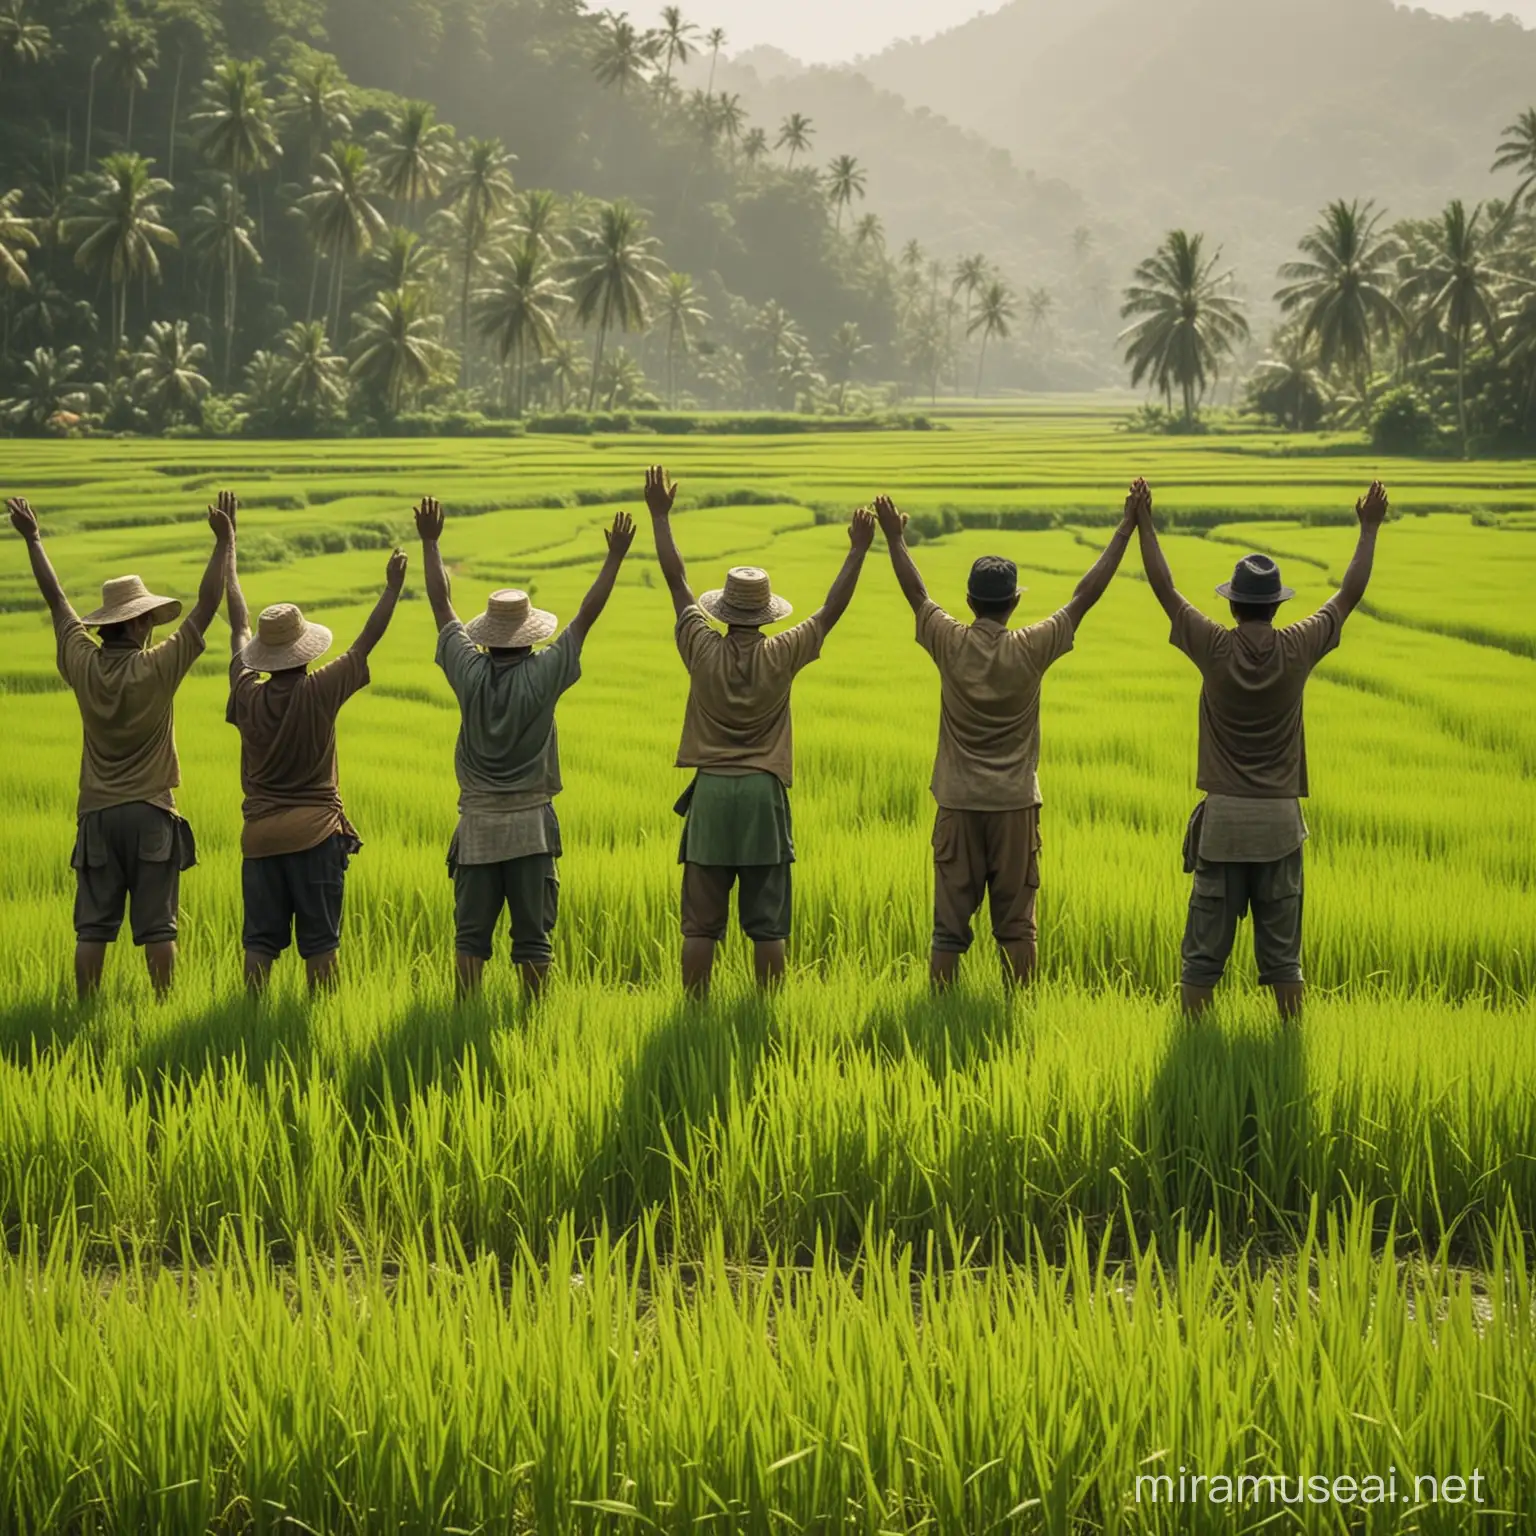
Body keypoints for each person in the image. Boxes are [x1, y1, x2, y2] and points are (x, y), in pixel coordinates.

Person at [1133, 477, 1390, 1019]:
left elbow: (1166, 591)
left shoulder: (1214, 646)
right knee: (1283, 962)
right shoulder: (1297, 646)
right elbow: (1348, 595)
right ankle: (1290, 1042)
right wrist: (1368, 529)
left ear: (1234, 607)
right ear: (1275, 606)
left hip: (1224, 825)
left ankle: (1193, 1044)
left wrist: (1144, 524)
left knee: (1201, 961)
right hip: (1278, 824)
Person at [872, 486, 1140, 992]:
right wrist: (1126, 526)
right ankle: (1020, 1007)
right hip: (1015, 806)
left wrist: (894, 538)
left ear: (970, 601)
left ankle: (941, 1010)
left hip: (958, 802)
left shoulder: (948, 640)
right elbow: (1085, 596)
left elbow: (917, 594)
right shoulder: (1032, 647)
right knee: (1017, 923)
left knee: (948, 928)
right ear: (1015, 602)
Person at [645, 463, 875, 1000]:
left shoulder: (700, 647)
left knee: (701, 923)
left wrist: (660, 515)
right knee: (767, 922)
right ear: (766, 614)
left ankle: (695, 1013)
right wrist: (858, 550)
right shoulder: (782, 652)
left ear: (723, 611)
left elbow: (677, 581)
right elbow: (830, 611)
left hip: (711, 794)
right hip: (761, 794)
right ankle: (765, 1010)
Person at [8, 493, 231, 999]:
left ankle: (84, 1006)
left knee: (93, 928)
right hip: (151, 810)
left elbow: (57, 601)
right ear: (134, 624)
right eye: (148, 618)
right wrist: (224, 543)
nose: (153, 625)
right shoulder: (156, 668)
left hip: (98, 815)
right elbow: (206, 608)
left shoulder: (82, 663)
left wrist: (33, 538)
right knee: (158, 927)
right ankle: (164, 1003)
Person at [417, 496, 634, 999]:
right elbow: (585, 617)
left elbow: (441, 606)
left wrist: (431, 542)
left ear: (488, 640)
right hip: (531, 829)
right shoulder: (544, 673)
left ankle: (465, 1017)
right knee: (534, 942)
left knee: (470, 937)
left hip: (476, 829)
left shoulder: (467, 672)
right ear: (530, 638)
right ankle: (532, 1019)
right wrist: (616, 556)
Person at [224, 496, 406, 995]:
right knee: (321, 943)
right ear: (304, 651)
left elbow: (239, 624)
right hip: (314, 834)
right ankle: (320, 1017)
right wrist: (391, 589)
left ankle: (250, 1018)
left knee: (259, 943)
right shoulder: (320, 689)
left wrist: (228, 547)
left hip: (259, 837)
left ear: (264, 655)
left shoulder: (245, 691)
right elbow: (365, 642)